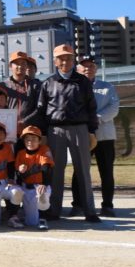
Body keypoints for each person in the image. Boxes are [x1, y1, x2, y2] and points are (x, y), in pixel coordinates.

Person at [25, 44, 100, 224]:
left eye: (68, 58)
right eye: (61, 58)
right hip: (55, 130)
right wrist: (28, 124)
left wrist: (91, 131)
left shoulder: (83, 82)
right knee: (55, 171)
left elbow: (91, 107)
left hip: (79, 128)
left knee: (83, 171)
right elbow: (41, 110)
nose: (65, 61)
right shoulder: (48, 83)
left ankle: (89, 211)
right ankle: (54, 210)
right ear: (55, 61)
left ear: (73, 60)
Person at [71, 57, 120, 217]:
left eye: (91, 66)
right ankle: (78, 204)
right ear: (77, 69)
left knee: (106, 171)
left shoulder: (107, 87)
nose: (88, 69)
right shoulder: (73, 86)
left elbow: (114, 107)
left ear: (96, 69)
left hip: (104, 136)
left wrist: (96, 118)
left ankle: (107, 205)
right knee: (80, 170)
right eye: (84, 66)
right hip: (83, 134)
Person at [10, 125, 53, 230]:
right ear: (24, 141)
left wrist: (44, 183)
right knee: (31, 222)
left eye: (34, 139)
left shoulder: (44, 149)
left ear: (39, 140)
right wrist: (20, 171)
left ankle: (43, 218)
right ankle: (22, 213)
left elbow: (46, 168)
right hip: (27, 187)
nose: (30, 142)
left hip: (40, 185)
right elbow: (19, 176)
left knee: (42, 194)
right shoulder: (21, 154)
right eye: (27, 139)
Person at [2, 50, 40, 135]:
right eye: (17, 63)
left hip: (30, 130)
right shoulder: (3, 86)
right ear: (10, 66)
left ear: (27, 66)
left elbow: (39, 108)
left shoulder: (36, 85)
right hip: (8, 130)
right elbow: (0, 107)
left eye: (23, 63)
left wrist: (25, 121)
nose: (20, 66)